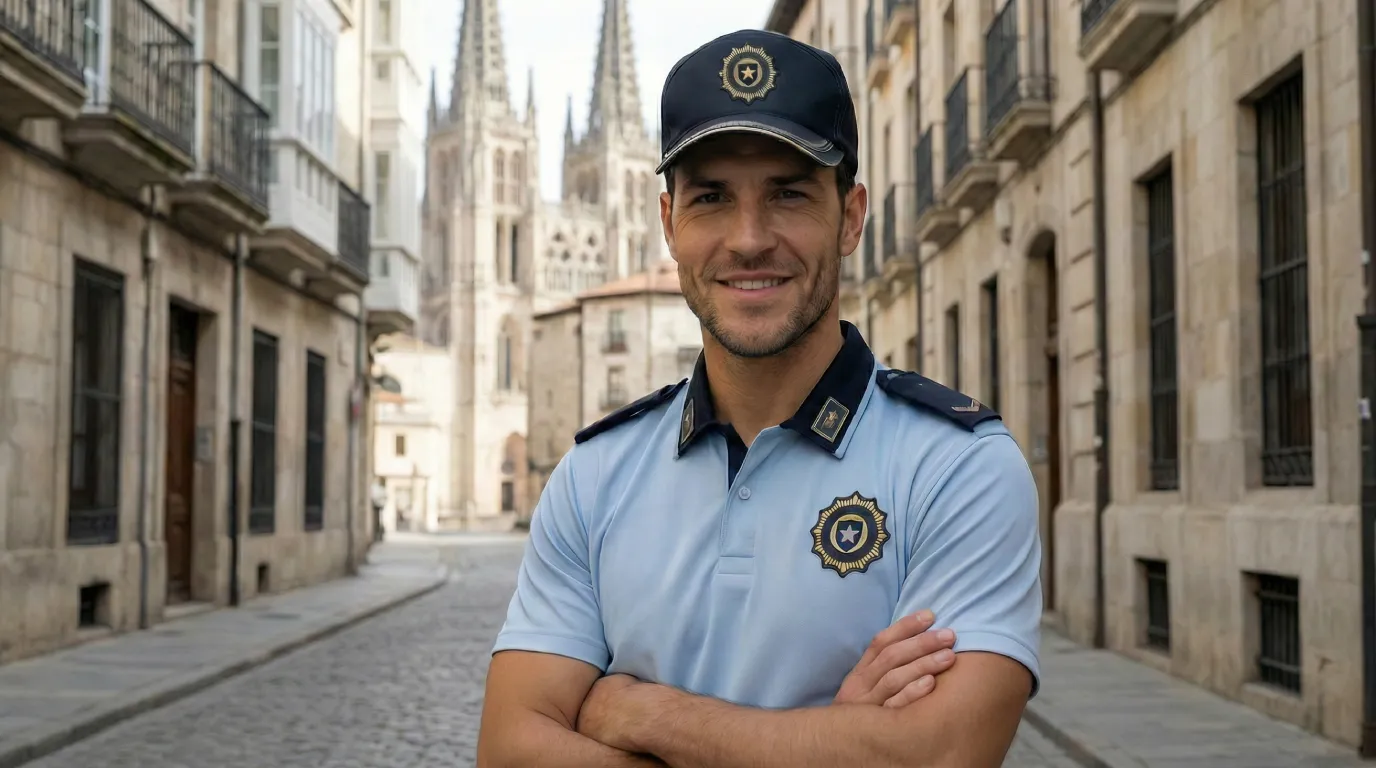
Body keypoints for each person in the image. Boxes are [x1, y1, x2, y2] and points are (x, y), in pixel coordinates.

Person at [477, 28, 1042, 768]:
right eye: (711, 197)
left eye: (789, 193)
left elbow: (938, 756)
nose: (748, 239)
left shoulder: (959, 469)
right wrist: (832, 743)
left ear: (851, 217)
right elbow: (510, 750)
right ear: (668, 223)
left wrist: (642, 713)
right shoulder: (592, 478)